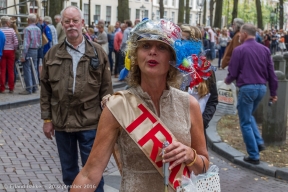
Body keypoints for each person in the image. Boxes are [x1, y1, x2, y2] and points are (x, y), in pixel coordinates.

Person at [71, 19, 209, 192]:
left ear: (173, 57)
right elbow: (89, 174)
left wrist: (190, 156)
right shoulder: (118, 105)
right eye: (146, 46)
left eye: (161, 47)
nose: (152, 52)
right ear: (136, 56)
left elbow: (204, 166)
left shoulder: (189, 104)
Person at [40, 6, 113, 191]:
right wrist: (47, 119)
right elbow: (46, 90)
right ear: (62, 24)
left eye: (75, 21)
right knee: (69, 173)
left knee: (94, 172)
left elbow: (107, 90)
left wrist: (108, 122)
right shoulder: (52, 54)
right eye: (67, 21)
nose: (71, 24)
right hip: (62, 122)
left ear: (82, 23)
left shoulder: (97, 52)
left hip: (90, 122)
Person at [225, 24, 278, 165]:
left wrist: (226, 83)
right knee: (248, 116)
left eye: (240, 34)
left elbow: (233, 72)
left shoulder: (239, 50)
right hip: (261, 88)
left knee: (244, 122)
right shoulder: (265, 50)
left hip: (247, 88)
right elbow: (272, 74)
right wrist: (273, 93)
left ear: (244, 34)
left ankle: (254, 155)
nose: (239, 36)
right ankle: (259, 142)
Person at [20, 14, 42, 95]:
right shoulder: (38, 29)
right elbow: (40, 42)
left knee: (27, 69)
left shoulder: (27, 29)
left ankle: (28, 88)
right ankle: (35, 87)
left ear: (28, 20)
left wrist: (23, 55)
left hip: (29, 50)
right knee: (34, 68)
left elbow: (26, 43)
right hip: (35, 50)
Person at [0, 16, 18, 94]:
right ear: (7, 23)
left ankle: (2, 88)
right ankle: (11, 87)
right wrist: (14, 48)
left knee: (2, 70)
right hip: (10, 51)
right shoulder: (12, 30)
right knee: (10, 69)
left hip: (2, 50)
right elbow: (16, 42)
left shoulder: (0, 30)